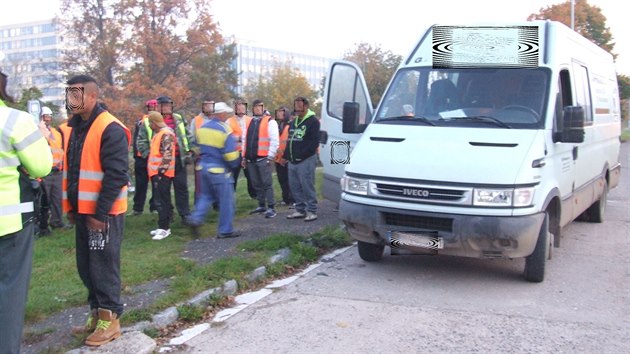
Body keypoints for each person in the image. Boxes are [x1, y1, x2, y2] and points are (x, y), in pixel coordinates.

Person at [62, 75, 130, 346]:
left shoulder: (110, 128)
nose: (71, 100)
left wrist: (99, 214)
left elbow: (117, 175)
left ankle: (110, 320)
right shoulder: (76, 127)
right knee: (87, 267)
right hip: (84, 212)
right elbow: (76, 170)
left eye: (76, 95)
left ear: (92, 97)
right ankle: (96, 315)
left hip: (103, 215)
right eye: (69, 95)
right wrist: (73, 206)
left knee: (103, 267)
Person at [0, 69, 52, 354]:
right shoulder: (14, 120)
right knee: (8, 295)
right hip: (9, 225)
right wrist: (41, 137)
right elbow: (41, 167)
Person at [187, 102, 241, 238]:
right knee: (226, 201)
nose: (228, 116)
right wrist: (235, 163)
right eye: (227, 114)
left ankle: (195, 219)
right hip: (219, 171)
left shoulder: (202, 128)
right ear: (221, 114)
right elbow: (230, 155)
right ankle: (225, 230)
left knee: (205, 196)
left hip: (202, 168)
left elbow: (197, 147)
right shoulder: (225, 130)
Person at [156, 95, 193, 223]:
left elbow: (187, 135)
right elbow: (142, 141)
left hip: (179, 159)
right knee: (163, 190)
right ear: (158, 107)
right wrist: (149, 155)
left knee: (182, 187)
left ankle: (185, 214)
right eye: (164, 105)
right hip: (162, 163)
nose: (167, 108)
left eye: (168, 105)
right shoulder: (153, 120)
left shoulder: (178, 118)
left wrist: (190, 150)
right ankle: (167, 215)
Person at [242, 99, 279, 218]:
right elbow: (244, 141)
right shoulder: (249, 122)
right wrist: (244, 156)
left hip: (264, 158)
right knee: (256, 183)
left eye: (259, 106)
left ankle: (271, 207)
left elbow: (274, 140)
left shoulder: (270, 121)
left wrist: (270, 156)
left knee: (267, 183)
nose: (257, 109)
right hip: (251, 159)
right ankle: (261, 205)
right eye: (255, 107)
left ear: (263, 107)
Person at [286, 97, 320, 221]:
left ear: (306, 107)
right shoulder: (294, 122)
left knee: (307, 185)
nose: (297, 110)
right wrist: (287, 155)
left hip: (306, 159)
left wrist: (301, 155)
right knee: (294, 185)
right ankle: (300, 209)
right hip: (292, 160)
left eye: (300, 108)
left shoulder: (313, 121)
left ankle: (312, 210)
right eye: (296, 108)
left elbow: (313, 143)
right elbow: (290, 140)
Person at [146, 111, 175, 240]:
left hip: (162, 174)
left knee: (162, 201)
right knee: (161, 199)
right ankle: (162, 225)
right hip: (158, 173)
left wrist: (160, 173)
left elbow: (167, 155)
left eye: (150, 123)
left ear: (154, 122)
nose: (149, 125)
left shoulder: (166, 134)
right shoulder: (159, 134)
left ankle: (165, 228)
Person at [38, 106, 66, 233]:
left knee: (57, 199)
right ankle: (42, 225)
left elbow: (60, 150)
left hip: (57, 170)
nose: (47, 119)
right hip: (45, 172)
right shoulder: (38, 132)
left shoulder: (56, 132)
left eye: (49, 117)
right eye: (45, 117)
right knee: (44, 200)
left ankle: (57, 222)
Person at [131, 99, 157, 215]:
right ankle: (138, 208)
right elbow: (136, 139)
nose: (152, 109)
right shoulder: (141, 121)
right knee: (141, 184)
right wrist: (136, 155)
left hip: (154, 157)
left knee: (156, 184)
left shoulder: (158, 121)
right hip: (142, 158)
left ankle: (154, 207)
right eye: (150, 107)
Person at [226, 100, 255, 196]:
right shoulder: (229, 121)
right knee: (233, 176)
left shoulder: (250, 120)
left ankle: (254, 195)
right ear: (235, 109)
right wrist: (239, 138)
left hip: (247, 152)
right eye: (238, 108)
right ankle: (231, 196)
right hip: (235, 153)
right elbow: (227, 137)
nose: (241, 110)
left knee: (251, 176)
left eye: (243, 107)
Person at [190, 99, 214, 203]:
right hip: (201, 155)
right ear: (202, 107)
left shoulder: (217, 119)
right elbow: (191, 138)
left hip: (215, 155)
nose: (209, 107)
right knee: (200, 182)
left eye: (211, 105)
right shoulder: (196, 120)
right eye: (206, 105)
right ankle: (199, 203)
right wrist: (196, 151)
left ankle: (216, 203)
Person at [274, 106, 294, 206]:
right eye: (277, 112)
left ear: (285, 113)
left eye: (280, 112)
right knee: (282, 180)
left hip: (286, 158)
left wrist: (285, 157)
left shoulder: (290, 125)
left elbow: (290, 142)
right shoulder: (278, 126)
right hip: (278, 158)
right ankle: (285, 198)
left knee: (289, 180)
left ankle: (292, 199)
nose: (278, 114)